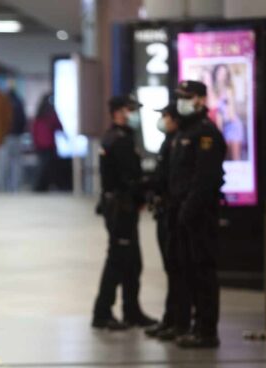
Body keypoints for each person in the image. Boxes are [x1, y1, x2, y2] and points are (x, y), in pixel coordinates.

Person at [169, 80, 226, 348]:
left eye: (187, 96)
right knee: (189, 271)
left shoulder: (206, 134)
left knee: (203, 271)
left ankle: (206, 330)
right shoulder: (184, 132)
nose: (182, 100)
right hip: (183, 212)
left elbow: (206, 178)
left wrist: (190, 208)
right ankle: (195, 324)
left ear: (201, 100)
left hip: (199, 214)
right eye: (179, 96)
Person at [92, 95, 157, 331]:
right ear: (119, 112)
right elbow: (128, 178)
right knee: (118, 259)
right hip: (120, 207)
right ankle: (102, 311)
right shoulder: (119, 140)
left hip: (122, 206)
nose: (133, 115)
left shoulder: (118, 137)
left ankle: (132, 311)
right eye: (130, 110)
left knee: (132, 262)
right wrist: (148, 188)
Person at [145, 102, 181, 339]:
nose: (163, 120)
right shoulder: (168, 142)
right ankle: (171, 318)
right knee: (171, 268)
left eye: (166, 116)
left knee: (179, 269)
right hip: (164, 212)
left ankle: (179, 320)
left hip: (175, 212)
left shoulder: (180, 142)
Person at [31, 93, 63, 192]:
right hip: (49, 144)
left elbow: (34, 130)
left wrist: (35, 142)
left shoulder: (39, 114)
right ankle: (44, 185)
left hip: (40, 145)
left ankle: (40, 186)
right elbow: (59, 127)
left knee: (42, 166)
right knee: (48, 167)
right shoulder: (51, 114)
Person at [212, 64, 244, 161]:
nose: (222, 76)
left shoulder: (229, 90)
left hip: (232, 125)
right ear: (216, 74)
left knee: (235, 157)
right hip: (219, 127)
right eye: (220, 73)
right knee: (221, 157)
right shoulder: (212, 91)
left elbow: (231, 114)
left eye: (224, 74)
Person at [1, 78, 27, 192]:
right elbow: (23, 119)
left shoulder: (3, 100)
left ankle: (5, 186)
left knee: (5, 162)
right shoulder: (19, 100)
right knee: (16, 162)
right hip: (16, 135)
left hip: (5, 136)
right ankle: (15, 186)